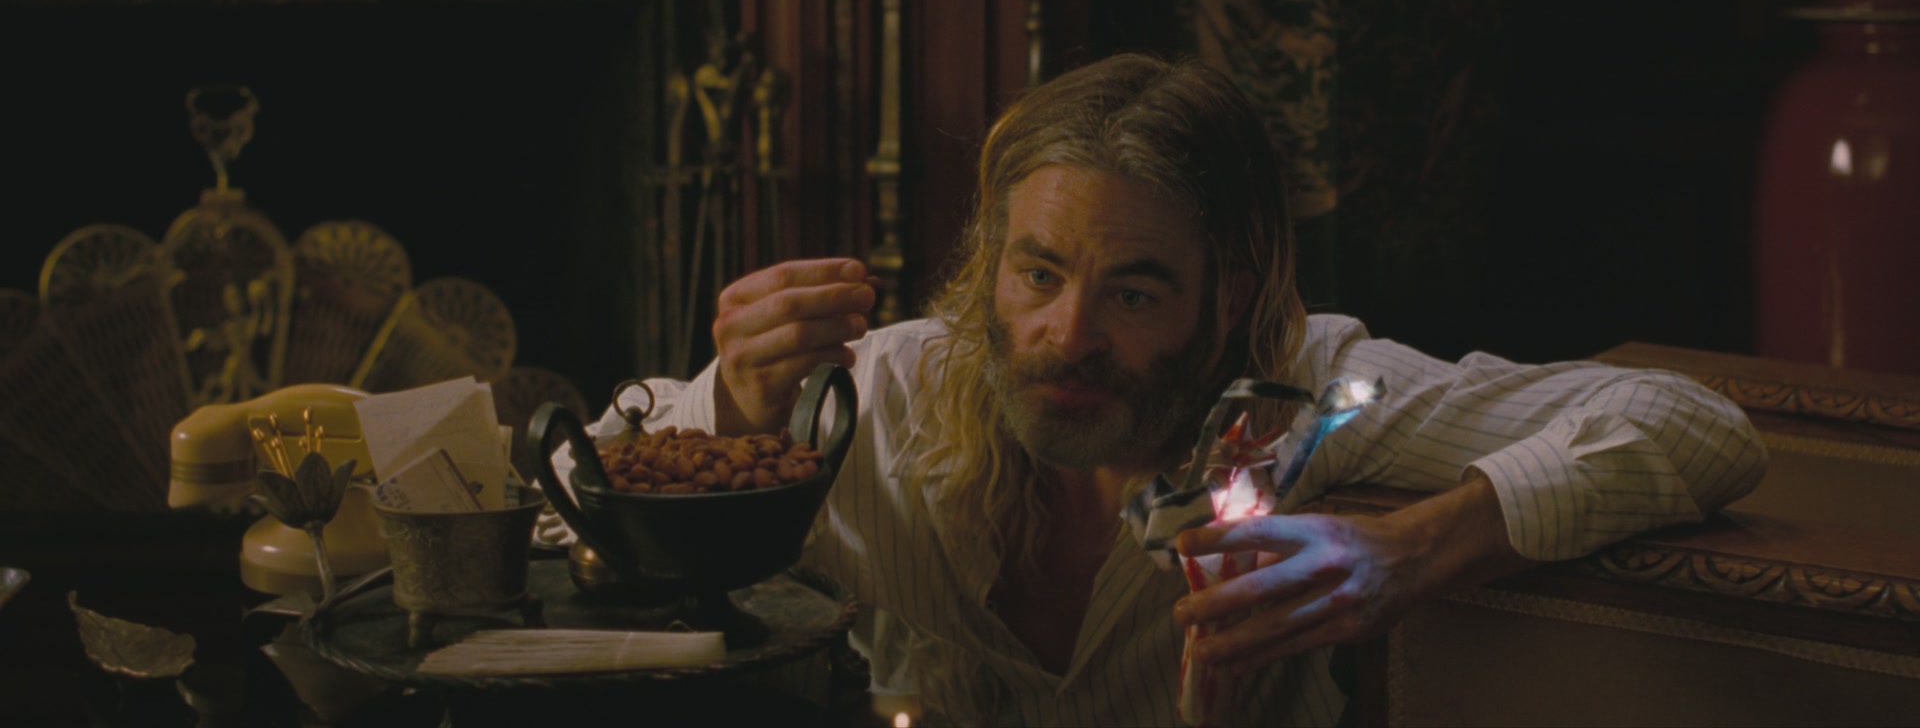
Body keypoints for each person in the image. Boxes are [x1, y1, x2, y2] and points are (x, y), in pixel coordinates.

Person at [555, 52, 1767, 726]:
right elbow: (565, 499)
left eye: (1133, 292)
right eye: (1039, 273)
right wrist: (735, 413)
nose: (1067, 335)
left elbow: (1691, 422)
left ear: (1225, 295)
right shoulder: (894, 392)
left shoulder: (1308, 389)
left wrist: (1407, 551)